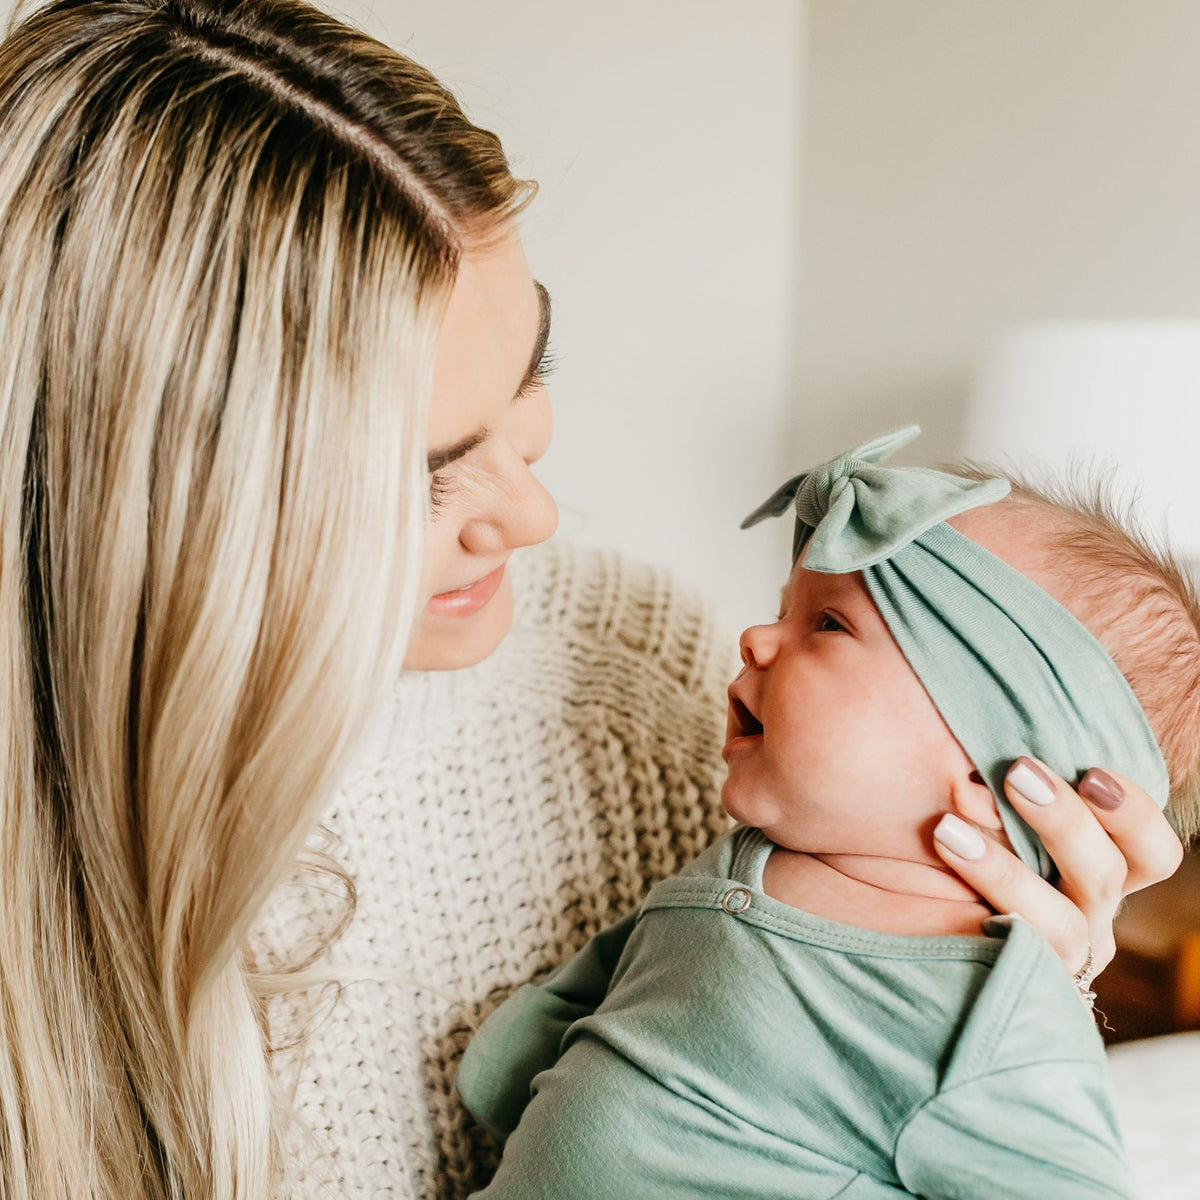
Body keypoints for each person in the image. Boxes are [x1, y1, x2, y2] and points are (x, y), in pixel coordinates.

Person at [0, 1, 1183, 1197]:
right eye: (417, 476)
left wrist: (1018, 977)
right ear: (139, 505)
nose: (532, 517)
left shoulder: (639, 675)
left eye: (531, 378)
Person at [456, 427, 1200, 1199]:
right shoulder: (763, 855)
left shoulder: (982, 1021)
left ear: (995, 777)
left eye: (829, 624)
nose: (755, 638)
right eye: (787, 609)